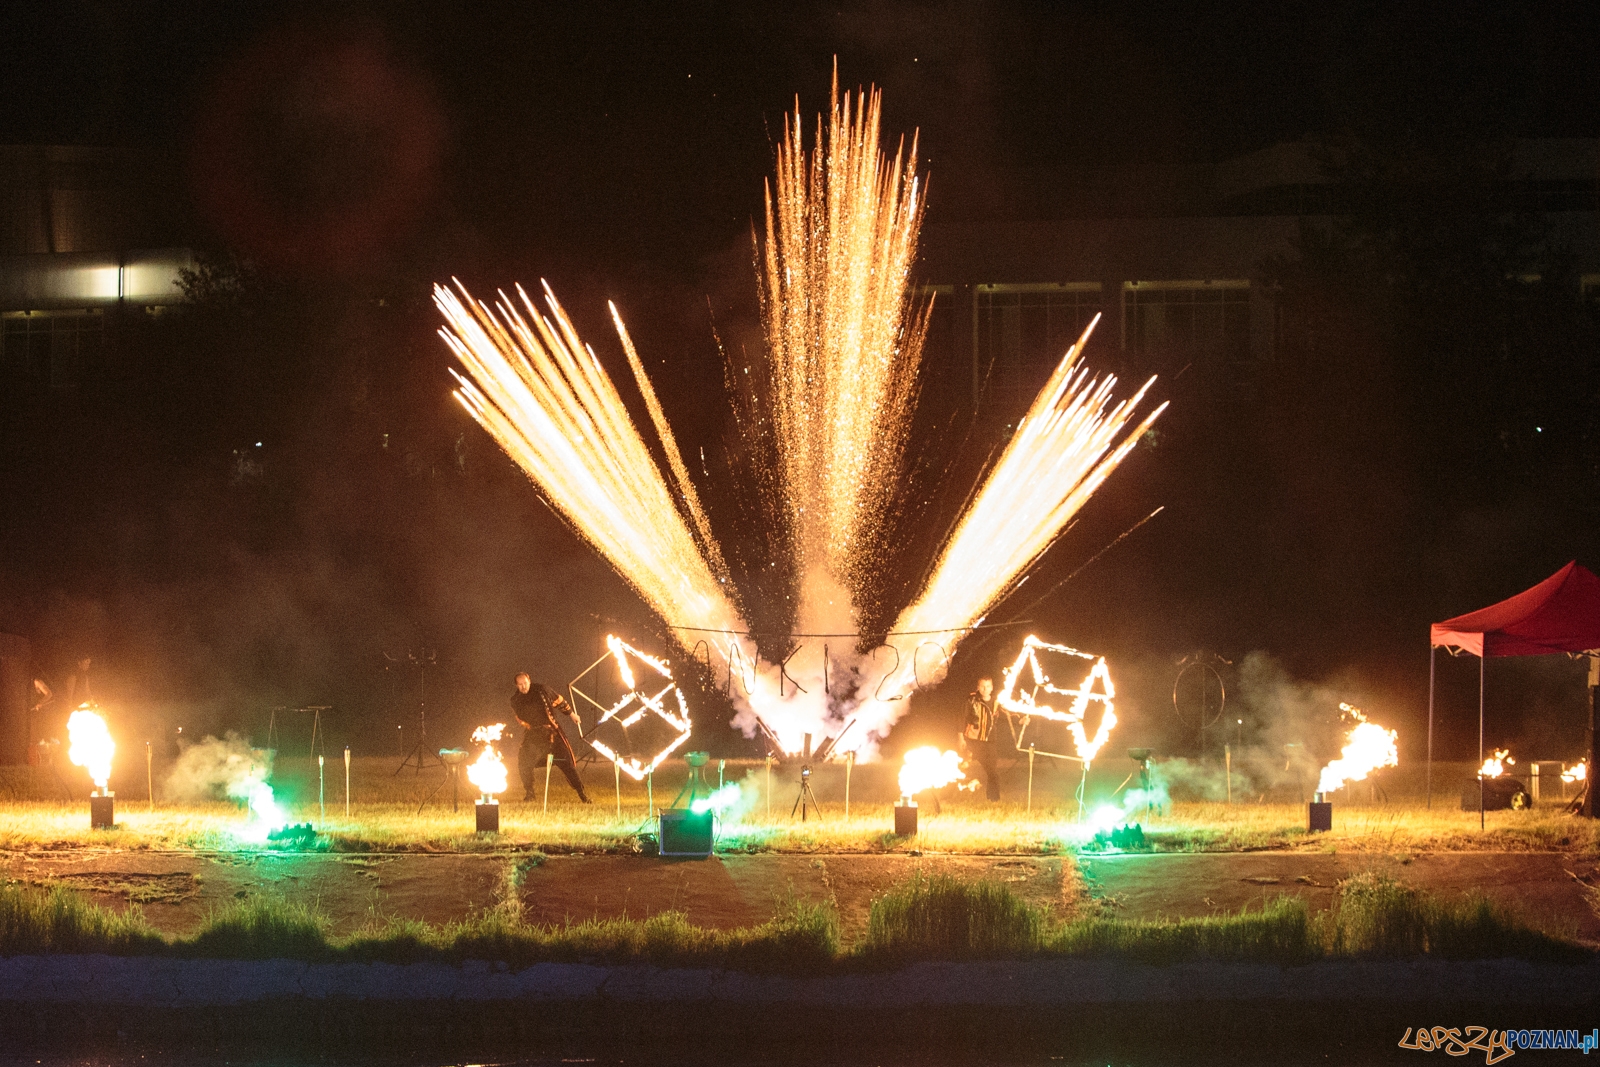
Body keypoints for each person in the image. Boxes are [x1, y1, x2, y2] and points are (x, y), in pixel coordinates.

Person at [510, 672, 591, 804]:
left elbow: (559, 701)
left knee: (567, 763)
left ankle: (582, 794)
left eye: (525, 683)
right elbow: (520, 718)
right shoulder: (515, 700)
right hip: (534, 734)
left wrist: (572, 715)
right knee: (524, 762)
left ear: (529, 680)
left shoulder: (542, 690)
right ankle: (530, 793)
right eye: (520, 685)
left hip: (553, 731)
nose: (523, 687)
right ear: (516, 685)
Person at [959, 676, 1004, 801]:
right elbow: (961, 718)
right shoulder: (971, 700)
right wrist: (960, 738)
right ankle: (950, 793)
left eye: (988, 686)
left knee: (992, 771)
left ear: (992, 688)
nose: (985, 689)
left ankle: (993, 799)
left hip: (990, 741)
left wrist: (1021, 719)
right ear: (978, 687)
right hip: (973, 740)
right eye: (982, 686)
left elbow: (1009, 713)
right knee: (964, 765)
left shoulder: (997, 702)